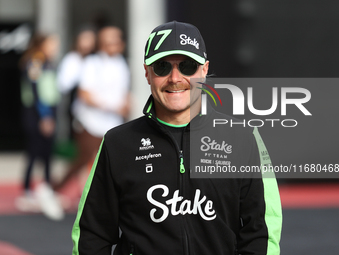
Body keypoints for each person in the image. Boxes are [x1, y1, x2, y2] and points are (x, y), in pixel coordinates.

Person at [71, 21, 282, 254]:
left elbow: (262, 230)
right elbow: (91, 235)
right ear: (147, 73)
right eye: (162, 67)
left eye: (187, 66)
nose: (174, 77)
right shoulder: (117, 143)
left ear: (204, 70)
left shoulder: (243, 137)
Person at [53, 26, 131, 191]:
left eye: (116, 41)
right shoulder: (92, 63)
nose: (114, 45)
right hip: (90, 122)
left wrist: (126, 105)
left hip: (112, 123)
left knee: (111, 163)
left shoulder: (122, 64)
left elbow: (122, 92)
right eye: (109, 41)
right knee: (82, 160)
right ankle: (55, 190)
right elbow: (84, 94)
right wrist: (114, 107)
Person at [16, 33, 64, 220]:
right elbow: (36, 92)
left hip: (49, 112)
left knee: (47, 153)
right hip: (36, 114)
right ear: (42, 44)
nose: (55, 47)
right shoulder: (34, 61)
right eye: (52, 44)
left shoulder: (49, 62)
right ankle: (26, 192)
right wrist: (44, 116)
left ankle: (46, 189)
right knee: (34, 152)